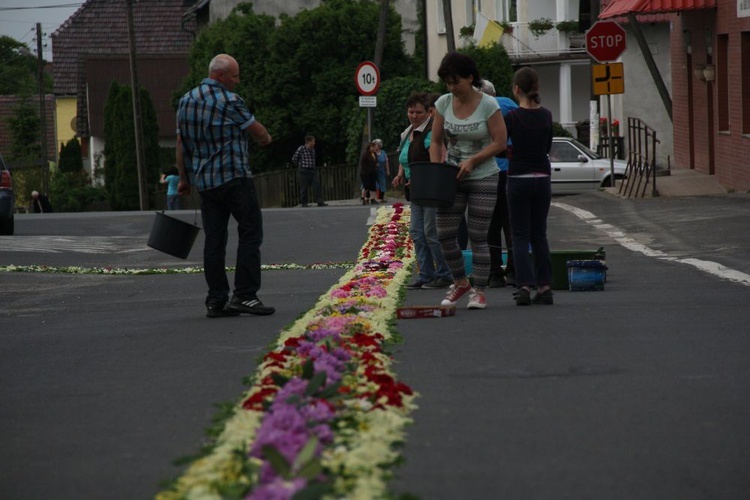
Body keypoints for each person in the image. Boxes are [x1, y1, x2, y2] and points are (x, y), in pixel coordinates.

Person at [176, 53, 275, 318]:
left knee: (214, 240)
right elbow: (257, 131)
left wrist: (184, 179)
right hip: (234, 179)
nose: (237, 81)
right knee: (250, 233)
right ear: (220, 76)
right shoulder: (229, 100)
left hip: (206, 184)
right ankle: (245, 296)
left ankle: (216, 300)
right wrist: (266, 138)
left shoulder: (186, 101)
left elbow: (181, 144)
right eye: (234, 76)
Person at [429, 52, 507, 310]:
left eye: (456, 82)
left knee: (478, 234)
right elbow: (437, 140)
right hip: (452, 175)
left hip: (483, 175)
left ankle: (480, 291)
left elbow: (500, 142)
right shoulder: (443, 103)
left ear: (470, 77)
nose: (452, 88)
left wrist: (474, 160)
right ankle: (461, 282)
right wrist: (436, 168)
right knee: (444, 234)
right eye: (448, 83)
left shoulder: (488, 105)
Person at [392, 91, 453, 290]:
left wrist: (421, 178)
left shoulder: (429, 133)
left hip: (430, 191)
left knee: (431, 233)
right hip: (416, 191)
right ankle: (426, 274)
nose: (414, 115)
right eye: (411, 112)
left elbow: (438, 160)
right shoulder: (409, 132)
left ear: (428, 112)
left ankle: (444, 273)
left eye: (419, 112)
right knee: (417, 232)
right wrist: (401, 173)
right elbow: (406, 156)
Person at [504, 67, 554, 306]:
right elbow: (547, 147)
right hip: (542, 177)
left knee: (520, 236)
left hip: (518, 178)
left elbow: (501, 144)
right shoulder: (546, 115)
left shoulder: (512, 117)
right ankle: (545, 287)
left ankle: (524, 285)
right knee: (539, 234)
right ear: (537, 88)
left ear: (516, 89)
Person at [479, 79, 518, 288]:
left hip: (488, 172)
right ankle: (513, 270)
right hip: (511, 171)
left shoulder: (478, 109)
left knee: (490, 225)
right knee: (510, 223)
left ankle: (494, 273)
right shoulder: (510, 104)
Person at [292, 135, 327, 207]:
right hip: (304, 170)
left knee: (317, 185)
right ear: (309, 141)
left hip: (312, 170)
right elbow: (294, 158)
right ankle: (304, 203)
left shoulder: (313, 150)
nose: (314, 143)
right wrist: (300, 165)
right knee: (304, 187)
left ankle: (320, 201)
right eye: (313, 141)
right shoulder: (301, 148)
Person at [373, 138, 389, 203]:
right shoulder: (373, 153)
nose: (374, 146)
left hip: (381, 171)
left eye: (376, 145)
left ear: (379, 145)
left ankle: (381, 198)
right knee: (376, 185)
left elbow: (386, 162)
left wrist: (388, 170)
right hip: (374, 171)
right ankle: (375, 198)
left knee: (383, 184)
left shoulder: (383, 152)